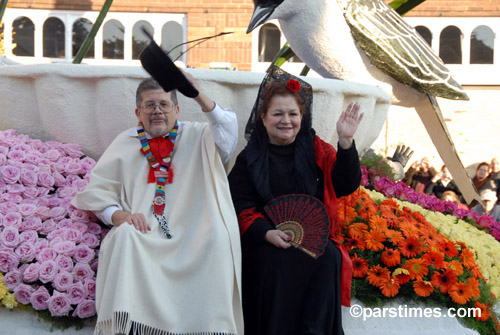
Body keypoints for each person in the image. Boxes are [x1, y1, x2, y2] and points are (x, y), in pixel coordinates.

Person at [71, 74, 243, 334]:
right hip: (145, 232)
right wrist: (120, 216)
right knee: (124, 236)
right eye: (150, 106)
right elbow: (98, 193)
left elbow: (228, 127)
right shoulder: (124, 142)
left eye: (163, 104)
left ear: (177, 109)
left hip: (196, 229)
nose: (157, 111)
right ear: (138, 112)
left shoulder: (200, 136)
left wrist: (195, 92)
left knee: (217, 236)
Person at [228, 66, 363, 335]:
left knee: (329, 256)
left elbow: (345, 184)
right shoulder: (250, 158)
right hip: (266, 243)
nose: (286, 120)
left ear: (302, 116)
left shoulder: (316, 148)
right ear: (263, 117)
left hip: (313, 243)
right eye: (278, 113)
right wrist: (266, 233)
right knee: (274, 261)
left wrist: (345, 142)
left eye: (293, 114)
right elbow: (240, 203)